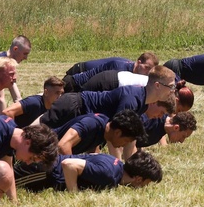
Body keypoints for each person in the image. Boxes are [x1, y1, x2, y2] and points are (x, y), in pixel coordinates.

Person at [39, 66, 178, 129]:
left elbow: (128, 139)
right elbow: (113, 132)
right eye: (171, 86)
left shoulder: (143, 103)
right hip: (74, 106)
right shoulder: (132, 99)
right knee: (34, 131)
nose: (172, 91)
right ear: (158, 85)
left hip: (83, 112)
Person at [23, 151, 163, 193]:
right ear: (138, 179)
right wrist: (74, 194)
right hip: (42, 171)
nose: (144, 187)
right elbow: (69, 164)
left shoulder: (116, 165)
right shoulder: (108, 174)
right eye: (146, 183)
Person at [54, 110, 146, 158]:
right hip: (43, 150)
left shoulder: (104, 130)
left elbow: (91, 146)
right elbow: (63, 145)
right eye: (126, 141)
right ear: (117, 132)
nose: (124, 145)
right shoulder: (92, 123)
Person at [63, 52, 160, 93]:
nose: (148, 72)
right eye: (147, 68)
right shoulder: (121, 68)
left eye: (151, 70)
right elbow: (97, 82)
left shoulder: (129, 69)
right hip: (78, 74)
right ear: (139, 62)